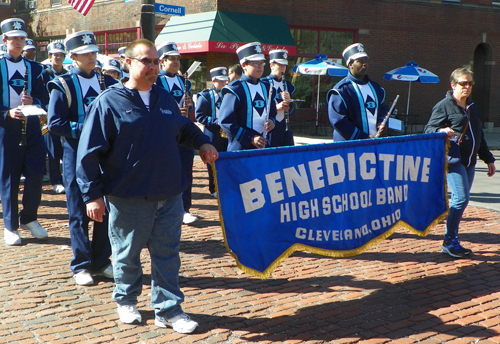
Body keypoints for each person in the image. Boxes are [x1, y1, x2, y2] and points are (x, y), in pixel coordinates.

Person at [76, 38, 218, 333]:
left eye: (155, 61)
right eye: (146, 61)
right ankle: (126, 300)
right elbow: (88, 154)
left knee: (168, 254)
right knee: (127, 255)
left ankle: (168, 309)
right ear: (128, 63)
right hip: (128, 196)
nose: (153, 66)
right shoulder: (109, 102)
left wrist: (203, 142)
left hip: (169, 194)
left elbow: (183, 127)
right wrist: (92, 196)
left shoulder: (164, 98)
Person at [47, 31, 117, 285]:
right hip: (76, 155)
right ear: (73, 57)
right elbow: (55, 123)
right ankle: (81, 264)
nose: (92, 56)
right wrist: (87, 129)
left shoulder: (107, 82)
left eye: (94, 52)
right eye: (86, 53)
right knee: (78, 212)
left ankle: (101, 261)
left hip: (105, 157)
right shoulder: (62, 84)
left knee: (105, 211)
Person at [424, 66, 496, 258]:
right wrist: (441, 131)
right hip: (454, 160)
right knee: (461, 199)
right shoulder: (444, 106)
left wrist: (488, 159)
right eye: (463, 83)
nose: (467, 87)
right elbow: (428, 130)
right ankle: (449, 241)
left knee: (461, 201)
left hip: (471, 162)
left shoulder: (473, 107)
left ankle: (451, 238)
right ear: (453, 84)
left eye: (470, 83)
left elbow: (478, 136)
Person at [0, 18, 49, 246]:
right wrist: (7, 113)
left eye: (22, 38)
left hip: (31, 127)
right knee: (9, 178)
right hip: (6, 129)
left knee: (37, 174)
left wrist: (35, 100)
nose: (19, 42)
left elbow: (46, 98)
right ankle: (10, 226)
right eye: (14, 38)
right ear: (5, 40)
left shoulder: (35, 68)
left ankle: (29, 217)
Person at [156, 42, 198, 225]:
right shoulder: (156, 80)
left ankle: (185, 208)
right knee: (164, 170)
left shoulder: (184, 81)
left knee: (186, 171)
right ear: (162, 62)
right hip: (165, 133)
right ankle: (162, 207)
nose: (175, 62)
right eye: (171, 59)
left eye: (177, 59)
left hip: (183, 133)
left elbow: (192, 109)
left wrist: (189, 105)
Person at [218, 42, 276, 151]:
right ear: (244, 65)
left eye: (262, 63)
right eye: (255, 63)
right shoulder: (235, 89)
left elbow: (272, 113)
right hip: (240, 147)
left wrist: (272, 121)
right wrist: (250, 138)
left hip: (264, 145)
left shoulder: (268, 87)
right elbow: (225, 121)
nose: (260, 67)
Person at [327, 43, 389, 141]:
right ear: (350, 64)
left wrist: (382, 123)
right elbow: (338, 121)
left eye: (365, 61)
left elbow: (383, 109)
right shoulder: (341, 90)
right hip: (348, 146)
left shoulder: (375, 87)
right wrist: (363, 138)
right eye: (359, 61)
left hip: (373, 144)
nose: (364, 64)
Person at [195, 67, 229, 198]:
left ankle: (224, 186)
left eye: (225, 80)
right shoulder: (205, 95)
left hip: (226, 132)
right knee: (212, 160)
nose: (224, 83)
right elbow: (200, 116)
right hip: (212, 132)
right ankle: (213, 188)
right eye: (221, 81)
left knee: (225, 159)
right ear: (214, 80)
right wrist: (216, 121)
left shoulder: (228, 93)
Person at [42, 42, 69, 195]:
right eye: (55, 55)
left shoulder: (67, 74)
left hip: (65, 116)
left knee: (66, 150)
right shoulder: (44, 74)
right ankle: (56, 181)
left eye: (60, 55)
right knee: (53, 150)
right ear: (49, 57)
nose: (58, 58)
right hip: (48, 117)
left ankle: (67, 179)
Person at [263, 49, 295, 147]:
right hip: (269, 128)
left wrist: (289, 102)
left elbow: (293, 111)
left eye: (284, 66)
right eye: (280, 65)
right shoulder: (263, 83)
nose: (283, 68)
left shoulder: (288, 85)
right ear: (271, 65)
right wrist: (276, 108)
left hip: (285, 128)